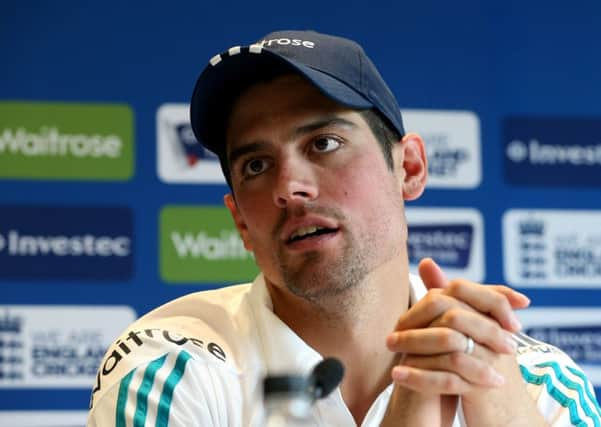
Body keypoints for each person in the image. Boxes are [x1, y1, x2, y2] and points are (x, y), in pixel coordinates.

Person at [87, 30, 600, 426]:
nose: (290, 188)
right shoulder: (171, 368)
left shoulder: (538, 384)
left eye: (324, 143)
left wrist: (506, 412)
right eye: (256, 166)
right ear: (241, 220)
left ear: (410, 169)